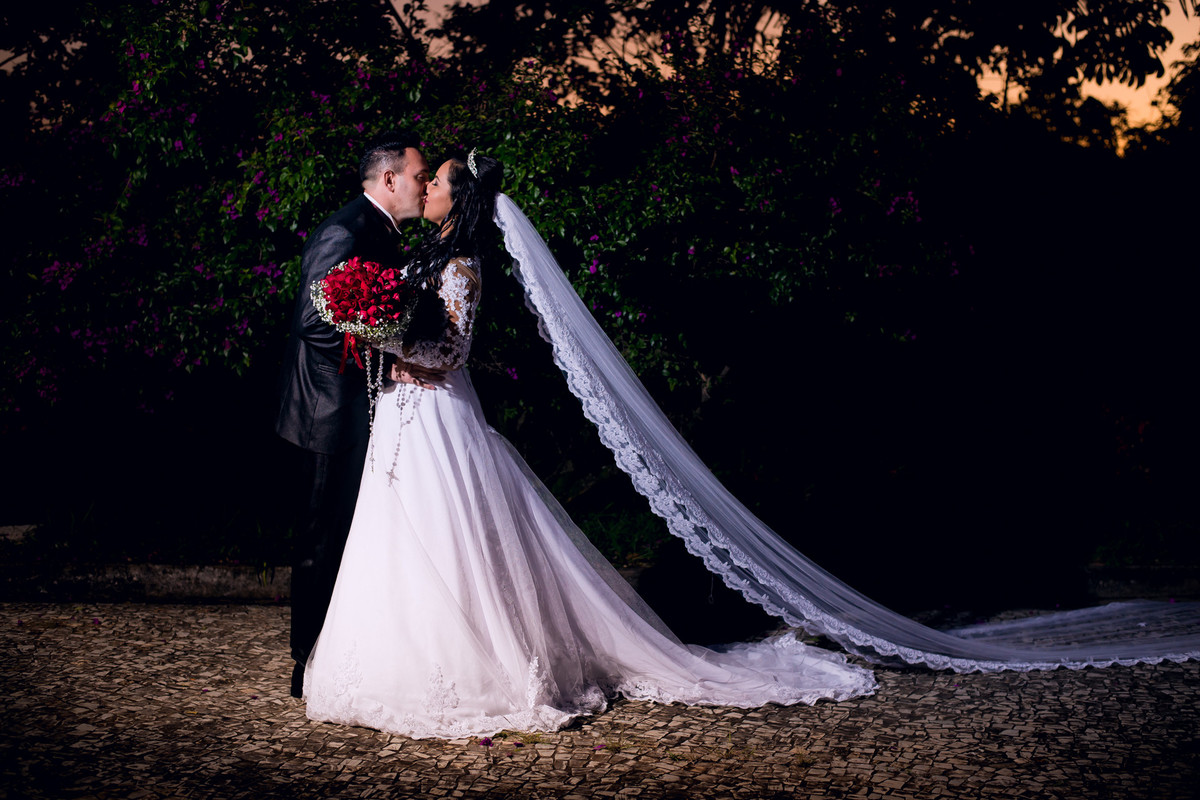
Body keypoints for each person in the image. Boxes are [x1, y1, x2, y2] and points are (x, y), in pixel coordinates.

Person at [301, 152, 878, 739]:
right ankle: (387, 660)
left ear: (460, 198)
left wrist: (394, 351)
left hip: (438, 414)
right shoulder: (422, 253)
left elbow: (452, 352)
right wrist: (379, 343)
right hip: (402, 414)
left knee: (442, 529)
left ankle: (467, 669)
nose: (424, 191)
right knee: (395, 532)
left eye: (436, 182)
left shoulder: (462, 266)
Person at [275, 131, 429, 698]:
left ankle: (356, 653)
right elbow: (316, 324)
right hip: (329, 413)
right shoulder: (346, 230)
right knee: (324, 535)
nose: (423, 185)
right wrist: (386, 361)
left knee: (364, 534)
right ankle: (307, 658)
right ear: (390, 179)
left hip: (365, 407)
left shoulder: (383, 233)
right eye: (418, 175)